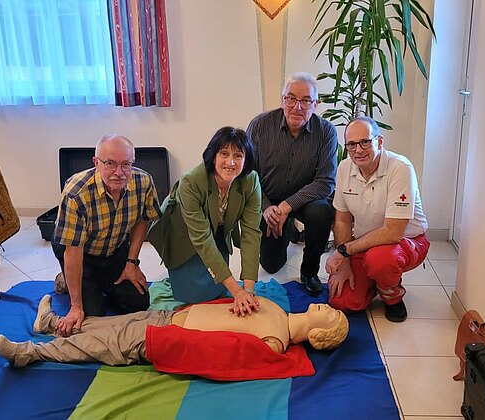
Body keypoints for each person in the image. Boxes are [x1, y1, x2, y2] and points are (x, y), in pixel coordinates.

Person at [0, 294, 349, 367]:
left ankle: (30, 353)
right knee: (107, 323)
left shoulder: (274, 344)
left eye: (332, 317)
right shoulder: (275, 307)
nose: (329, 308)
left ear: (319, 336)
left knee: (102, 342)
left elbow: (217, 356)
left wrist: (167, 344)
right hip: (172, 316)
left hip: (165, 339)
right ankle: (52, 325)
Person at [51, 135, 161, 337]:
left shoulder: (143, 182)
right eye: (110, 164)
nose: (119, 173)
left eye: (126, 164)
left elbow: (143, 220)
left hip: (114, 246)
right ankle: (66, 279)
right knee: (92, 315)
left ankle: (100, 281)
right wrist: (76, 306)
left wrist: (131, 263)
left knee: (138, 303)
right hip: (80, 251)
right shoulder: (76, 193)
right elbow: (73, 252)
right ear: (96, 163)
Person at [147, 127, 261, 316]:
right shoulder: (191, 182)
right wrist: (236, 291)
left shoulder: (251, 181)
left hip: (217, 229)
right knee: (194, 296)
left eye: (238, 155)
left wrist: (248, 290)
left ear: (246, 159)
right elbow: (201, 238)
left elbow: (251, 233)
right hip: (183, 233)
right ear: (213, 155)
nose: (230, 162)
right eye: (224, 153)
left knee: (217, 289)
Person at [325, 116, 430, 322]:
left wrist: (344, 251)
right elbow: (342, 221)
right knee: (342, 302)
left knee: (380, 260)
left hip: (406, 242)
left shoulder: (401, 168)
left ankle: (391, 295)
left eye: (365, 142)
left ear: (379, 141)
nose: (358, 150)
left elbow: (393, 232)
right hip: (365, 243)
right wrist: (344, 264)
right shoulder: (344, 168)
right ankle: (373, 280)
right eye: (351, 144)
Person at [246, 72, 338, 297]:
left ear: (315, 104)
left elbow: (326, 182)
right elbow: (248, 174)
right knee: (271, 265)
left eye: (305, 100)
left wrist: (286, 207)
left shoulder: (326, 132)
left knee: (321, 212)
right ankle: (287, 229)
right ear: (282, 100)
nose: (297, 107)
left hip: (306, 200)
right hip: (269, 199)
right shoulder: (259, 126)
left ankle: (309, 272)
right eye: (291, 98)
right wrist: (267, 207)